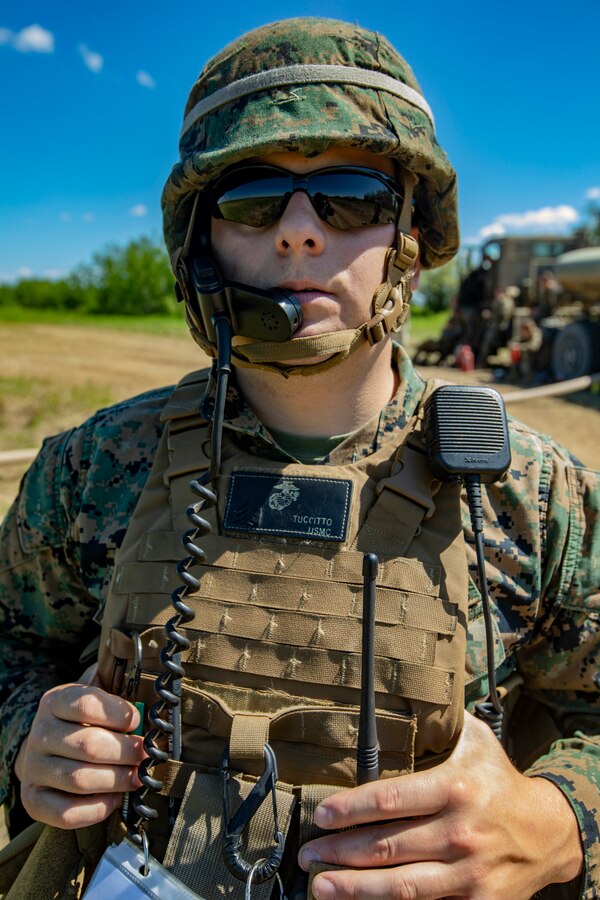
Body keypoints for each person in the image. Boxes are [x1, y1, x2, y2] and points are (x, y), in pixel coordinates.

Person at [0, 17, 598, 900]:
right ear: (201, 241)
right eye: (252, 201)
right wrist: (28, 739)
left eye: (349, 197)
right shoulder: (95, 469)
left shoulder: (531, 497)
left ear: (408, 233)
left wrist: (558, 823)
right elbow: (10, 646)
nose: (298, 234)